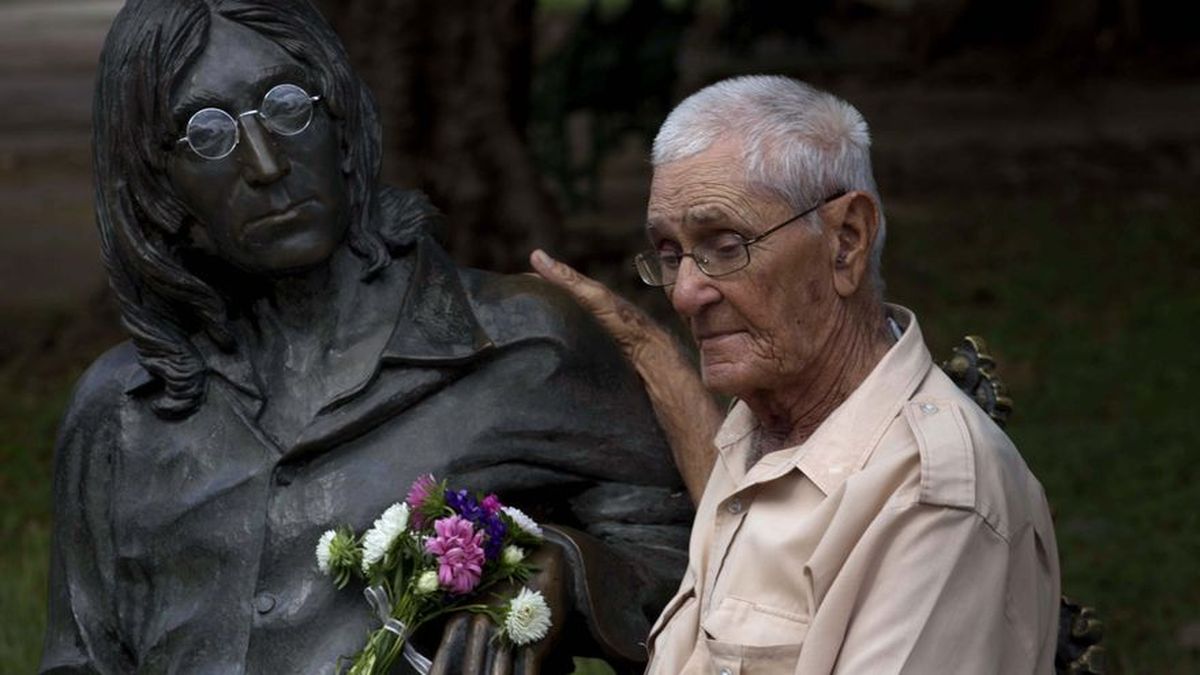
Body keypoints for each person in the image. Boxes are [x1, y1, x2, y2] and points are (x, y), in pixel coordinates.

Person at [40, 1, 691, 673]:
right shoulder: (122, 415)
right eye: (207, 133)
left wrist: (570, 566)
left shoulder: (521, 344)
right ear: (157, 183)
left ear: (341, 121)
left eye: (287, 103)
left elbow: (706, 570)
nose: (265, 164)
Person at [532, 75, 1062, 673]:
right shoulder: (765, 423)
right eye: (671, 252)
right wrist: (648, 352)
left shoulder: (931, 502)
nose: (683, 294)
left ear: (846, 241)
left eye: (725, 245)